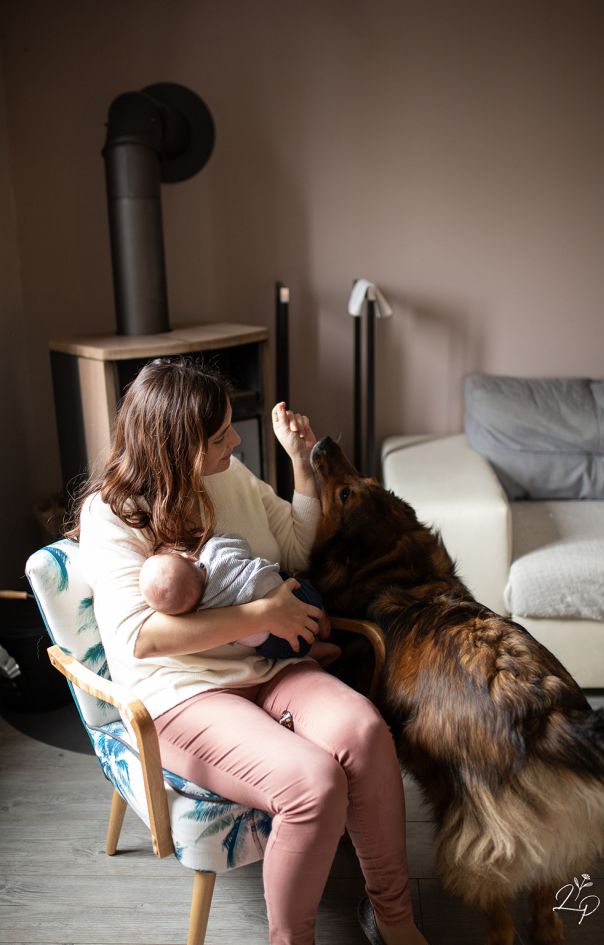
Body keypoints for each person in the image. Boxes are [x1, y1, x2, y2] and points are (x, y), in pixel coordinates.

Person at [72, 356, 430, 945]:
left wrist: (300, 467)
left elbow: (292, 546)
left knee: (365, 733)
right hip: (184, 693)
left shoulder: (229, 475)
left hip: (269, 667)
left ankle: (395, 919)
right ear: (177, 446)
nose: (236, 441)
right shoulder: (112, 516)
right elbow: (143, 636)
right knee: (312, 784)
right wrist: (265, 613)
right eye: (219, 436)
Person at [138, 533, 342, 664]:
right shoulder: (215, 552)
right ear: (190, 557)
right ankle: (322, 618)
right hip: (289, 592)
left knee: (267, 646)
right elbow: (239, 542)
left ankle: (312, 650)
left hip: (276, 640)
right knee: (298, 584)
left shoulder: (208, 613)